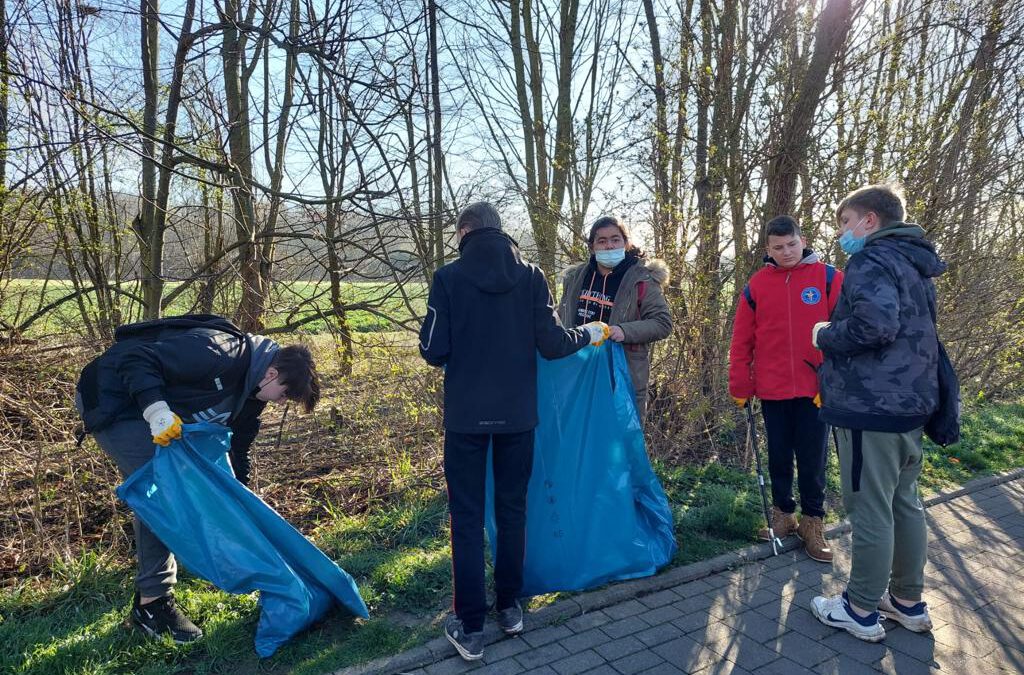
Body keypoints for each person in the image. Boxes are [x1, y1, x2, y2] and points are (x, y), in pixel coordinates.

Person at [419, 202, 607, 661]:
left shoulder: (447, 279)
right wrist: (591, 333)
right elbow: (553, 342)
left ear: (464, 232)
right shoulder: (531, 276)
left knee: (465, 519)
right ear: (500, 231)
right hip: (518, 417)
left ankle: (470, 626)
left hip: (465, 419)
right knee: (512, 512)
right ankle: (510, 608)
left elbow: (432, 350)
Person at [75, 314, 320, 644]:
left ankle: (151, 598)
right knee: (165, 496)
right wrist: (157, 412)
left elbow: (237, 452)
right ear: (272, 373)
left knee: (171, 496)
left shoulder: (251, 395)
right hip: (116, 400)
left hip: (149, 408)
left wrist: (239, 502)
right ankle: (153, 606)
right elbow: (135, 359)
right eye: (283, 395)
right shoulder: (219, 352)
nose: (279, 403)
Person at [810, 185, 943, 642]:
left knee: (869, 507)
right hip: (910, 404)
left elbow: (874, 326)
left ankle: (860, 608)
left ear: (869, 220)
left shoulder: (870, 259)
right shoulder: (913, 261)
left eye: (845, 221)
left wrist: (825, 333)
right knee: (905, 503)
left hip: (871, 406)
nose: (842, 231)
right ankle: (907, 601)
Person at [728, 215, 844, 563]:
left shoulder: (828, 278)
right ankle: (784, 514)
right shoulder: (758, 285)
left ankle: (813, 521)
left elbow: (846, 333)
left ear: (803, 240)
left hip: (815, 389)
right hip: (772, 387)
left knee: (813, 459)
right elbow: (742, 339)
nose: (787, 251)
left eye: (792, 244)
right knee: (779, 455)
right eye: (778, 247)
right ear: (768, 249)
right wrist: (740, 383)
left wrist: (834, 383)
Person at [558, 216, 672, 423]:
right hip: (578, 373)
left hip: (621, 375)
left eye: (615, 239)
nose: (609, 246)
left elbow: (662, 323)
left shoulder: (642, 279)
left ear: (626, 243)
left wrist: (623, 330)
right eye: (601, 241)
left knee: (621, 445)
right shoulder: (575, 277)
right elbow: (561, 319)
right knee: (579, 439)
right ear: (592, 246)